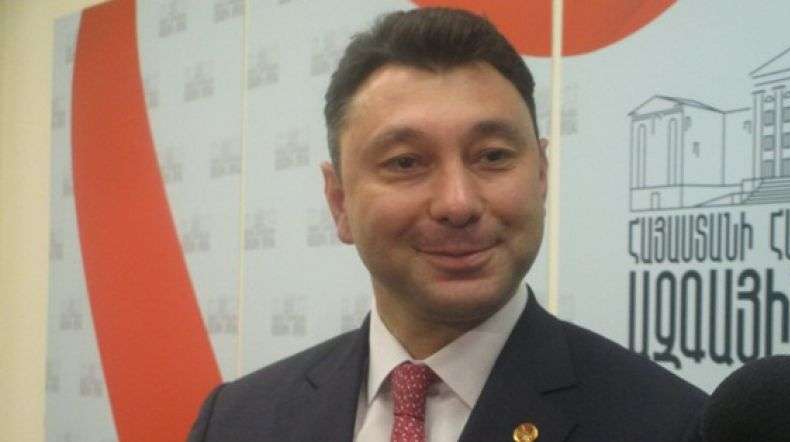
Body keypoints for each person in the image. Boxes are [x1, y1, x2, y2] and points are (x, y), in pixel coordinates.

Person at [188, 8, 706, 441]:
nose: (458, 203)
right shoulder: (237, 420)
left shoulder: (672, 425)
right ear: (339, 201)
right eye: (406, 162)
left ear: (542, 176)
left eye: (493, 156)